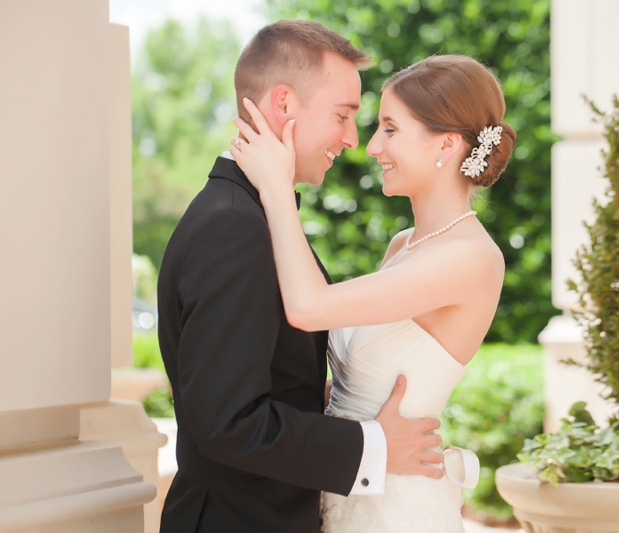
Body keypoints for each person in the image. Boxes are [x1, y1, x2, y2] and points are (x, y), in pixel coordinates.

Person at [157, 20, 444, 533]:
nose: (353, 139)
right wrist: (374, 445)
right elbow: (227, 423)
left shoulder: (251, 215)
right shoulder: (232, 227)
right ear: (285, 104)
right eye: (343, 115)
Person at [231, 54, 515, 532]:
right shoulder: (404, 244)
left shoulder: (471, 258)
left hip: (396, 507)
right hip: (351, 483)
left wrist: (276, 187)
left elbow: (309, 307)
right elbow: (357, 382)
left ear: (445, 143)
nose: (372, 146)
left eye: (390, 129)